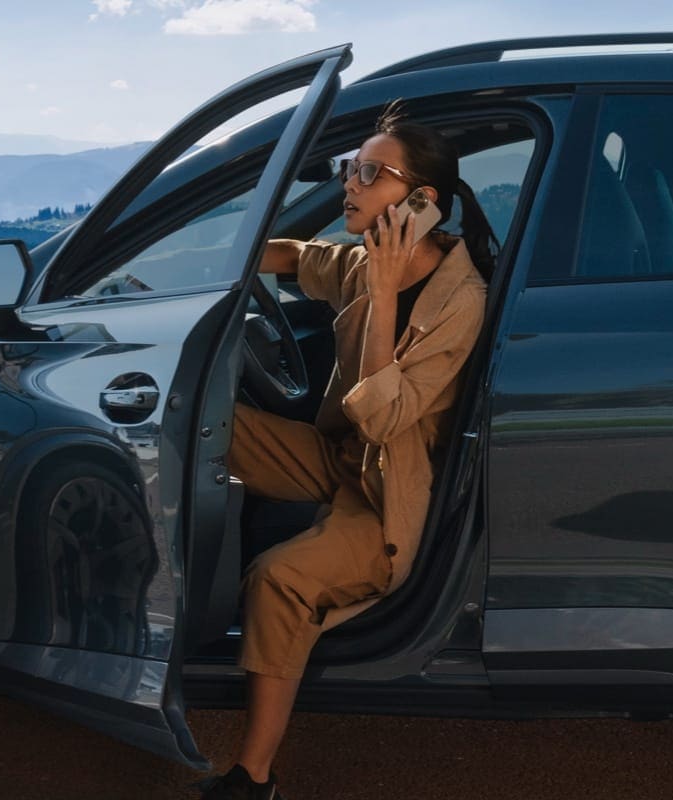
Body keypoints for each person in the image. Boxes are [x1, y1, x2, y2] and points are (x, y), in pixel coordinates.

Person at [196, 103, 495, 800]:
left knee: (279, 579)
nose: (349, 186)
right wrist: (224, 256)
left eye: (368, 172)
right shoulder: (366, 261)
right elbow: (301, 257)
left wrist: (386, 296)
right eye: (348, 169)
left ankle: (253, 778)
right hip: (342, 455)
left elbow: (388, 417)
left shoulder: (459, 301)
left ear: (422, 201)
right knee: (200, 425)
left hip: (388, 492)